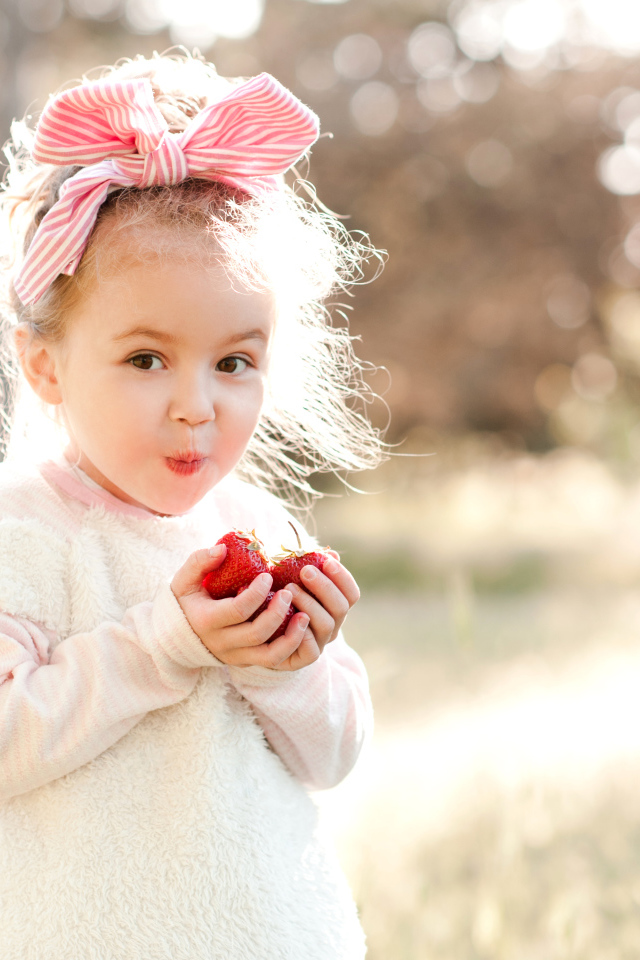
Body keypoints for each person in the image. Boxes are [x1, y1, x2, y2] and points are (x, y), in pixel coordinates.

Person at [0, 52, 385, 960]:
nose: (196, 406)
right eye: (145, 359)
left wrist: (291, 666)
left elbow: (332, 757)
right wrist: (163, 646)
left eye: (234, 361)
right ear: (45, 364)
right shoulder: (24, 534)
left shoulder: (256, 532)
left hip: (279, 936)